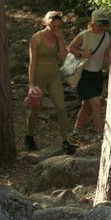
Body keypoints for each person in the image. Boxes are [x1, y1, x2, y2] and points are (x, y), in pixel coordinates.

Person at [24, 10, 77, 155]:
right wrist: (31, 84)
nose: (56, 29)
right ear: (45, 23)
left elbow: (64, 60)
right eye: (53, 26)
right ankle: (29, 136)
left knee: (61, 108)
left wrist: (61, 40)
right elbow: (32, 62)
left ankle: (65, 141)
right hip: (39, 75)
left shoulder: (58, 37)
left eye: (59, 27)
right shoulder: (36, 38)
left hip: (54, 75)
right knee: (36, 108)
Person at [68, 8, 111, 139]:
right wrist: (83, 53)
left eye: (105, 24)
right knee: (96, 103)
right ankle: (100, 133)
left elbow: (106, 55)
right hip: (84, 75)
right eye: (99, 24)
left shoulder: (107, 37)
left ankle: (76, 130)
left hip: (97, 75)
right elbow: (71, 48)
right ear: (92, 23)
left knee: (87, 105)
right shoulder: (84, 35)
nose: (102, 27)